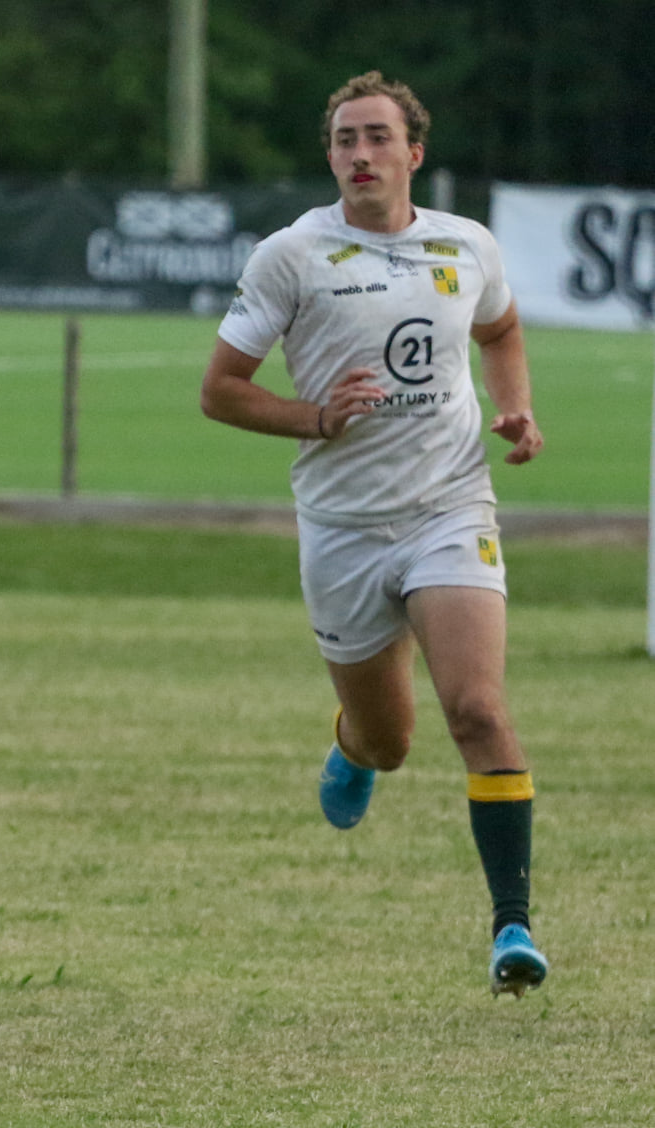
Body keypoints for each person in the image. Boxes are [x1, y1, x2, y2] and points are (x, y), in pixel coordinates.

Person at [200, 71, 548, 996]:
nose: (360, 154)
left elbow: (501, 330)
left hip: (449, 508)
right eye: (344, 139)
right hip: (343, 529)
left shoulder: (463, 244)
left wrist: (515, 408)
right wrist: (315, 417)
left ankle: (510, 927)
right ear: (329, 158)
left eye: (377, 137)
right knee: (390, 741)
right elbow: (220, 391)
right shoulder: (291, 255)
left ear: (412, 153)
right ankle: (352, 744)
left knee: (477, 710)